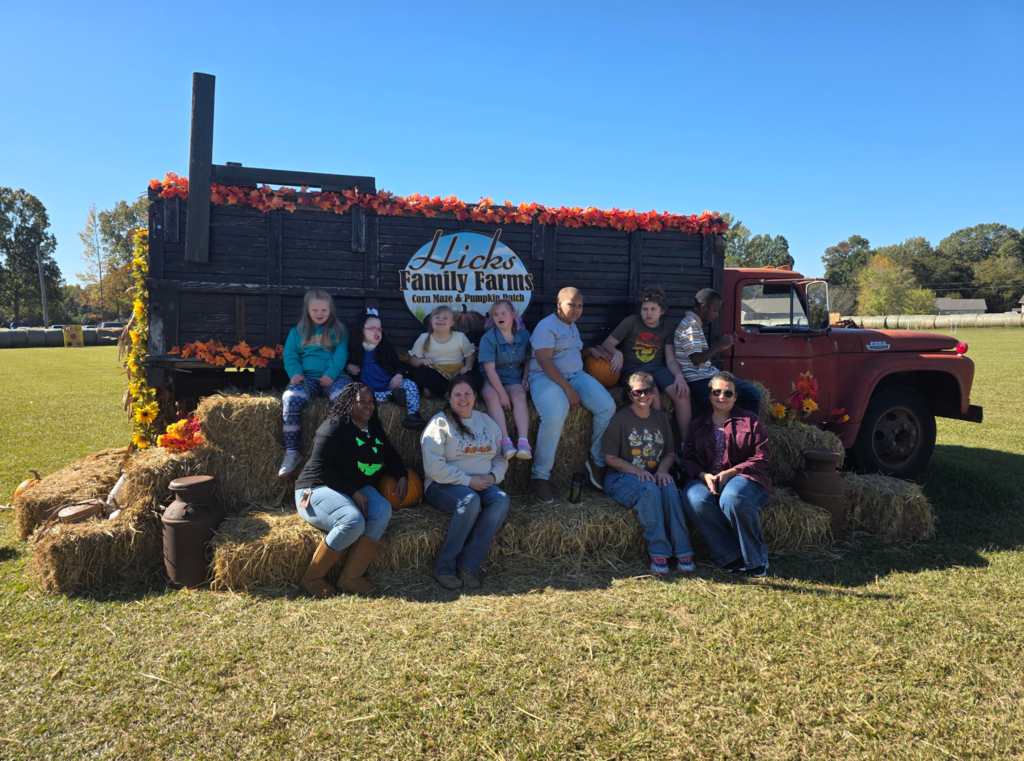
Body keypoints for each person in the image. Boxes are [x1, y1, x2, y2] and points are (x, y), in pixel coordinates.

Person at [293, 382, 408, 597]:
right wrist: (353, 493)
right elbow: (318, 468)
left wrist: (402, 474)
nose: (368, 406)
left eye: (371, 401)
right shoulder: (334, 426)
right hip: (315, 488)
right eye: (361, 401)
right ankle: (312, 577)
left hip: (352, 488)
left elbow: (389, 453)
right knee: (352, 521)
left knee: (382, 509)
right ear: (348, 403)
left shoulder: (372, 426)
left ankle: (351, 578)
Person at [528, 287, 617, 504]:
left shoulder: (571, 325)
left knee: (607, 406)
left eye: (580, 306)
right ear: (559, 305)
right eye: (572, 305)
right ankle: (540, 476)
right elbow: (544, 361)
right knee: (556, 413)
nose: (577, 310)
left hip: (576, 375)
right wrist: (568, 389)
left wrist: (589, 351)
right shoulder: (546, 327)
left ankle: (596, 461)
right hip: (544, 377)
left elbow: (570, 351)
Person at [420, 376, 510, 590]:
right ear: (449, 398)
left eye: (467, 394)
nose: (463, 399)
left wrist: (494, 477)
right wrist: (468, 481)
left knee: (501, 500)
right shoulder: (440, 424)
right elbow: (434, 467)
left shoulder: (486, 422)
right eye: (457, 395)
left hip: (482, 481)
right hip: (443, 484)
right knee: (469, 501)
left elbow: (500, 456)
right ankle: (444, 566)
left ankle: (469, 566)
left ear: (474, 397)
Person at [681, 371, 772, 577]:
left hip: (745, 477)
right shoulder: (698, 425)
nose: (721, 397)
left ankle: (757, 558)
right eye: (717, 392)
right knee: (694, 498)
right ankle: (731, 555)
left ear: (735, 397)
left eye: (728, 393)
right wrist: (704, 476)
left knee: (732, 497)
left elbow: (761, 456)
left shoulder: (750, 420)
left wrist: (732, 472)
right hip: (708, 478)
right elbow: (688, 459)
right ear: (710, 394)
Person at [603, 372, 694, 575]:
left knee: (669, 487)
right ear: (630, 395)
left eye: (648, 391)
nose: (643, 395)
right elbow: (610, 458)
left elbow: (670, 453)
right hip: (619, 478)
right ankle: (659, 552)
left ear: (654, 393)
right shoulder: (620, 419)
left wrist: (662, 470)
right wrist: (638, 470)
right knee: (648, 490)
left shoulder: (661, 418)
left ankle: (683, 551)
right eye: (637, 392)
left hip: (653, 475)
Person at [599, 285, 692, 440]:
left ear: (662, 310)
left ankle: (685, 445)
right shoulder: (631, 322)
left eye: (653, 309)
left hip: (657, 369)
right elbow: (606, 344)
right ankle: (655, 442)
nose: (648, 313)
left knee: (682, 396)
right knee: (652, 395)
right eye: (645, 309)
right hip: (633, 369)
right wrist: (617, 352)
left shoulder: (668, 329)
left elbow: (670, 359)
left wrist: (679, 376)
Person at [279, 289, 352, 477]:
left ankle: (347, 447)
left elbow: (341, 353)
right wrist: (294, 373)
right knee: (291, 398)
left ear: (330, 310)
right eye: (315, 310)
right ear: (307, 310)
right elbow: (290, 355)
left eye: (324, 311)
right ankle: (293, 452)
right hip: (307, 379)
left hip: (334, 377)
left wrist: (331, 373)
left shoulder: (338, 330)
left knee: (345, 398)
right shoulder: (297, 332)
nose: (319, 314)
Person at [673, 288, 762, 420]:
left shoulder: (694, 324)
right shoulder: (690, 326)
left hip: (708, 376)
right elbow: (696, 360)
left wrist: (724, 345)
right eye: (715, 310)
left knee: (753, 394)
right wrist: (720, 344)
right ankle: (747, 432)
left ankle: (745, 430)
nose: (716, 315)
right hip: (700, 381)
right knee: (753, 395)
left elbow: (702, 356)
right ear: (703, 307)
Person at [346, 309, 426, 429]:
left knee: (411, 385)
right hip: (369, 389)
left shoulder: (385, 348)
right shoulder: (354, 350)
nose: (377, 331)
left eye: (379, 329)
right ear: (362, 331)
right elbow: (345, 363)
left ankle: (413, 415)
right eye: (373, 328)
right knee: (361, 398)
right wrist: (348, 367)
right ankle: (391, 396)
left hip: (389, 384)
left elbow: (399, 365)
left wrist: (399, 375)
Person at [478, 299, 532, 461]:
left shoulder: (524, 335)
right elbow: (490, 370)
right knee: (491, 396)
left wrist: (524, 377)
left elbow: (528, 359)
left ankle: (523, 442)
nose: (500, 316)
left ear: (513, 315)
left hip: (514, 377)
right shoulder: (488, 339)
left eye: (503, 313)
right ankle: (505, 442)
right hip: (492, 378)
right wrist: (502, 395)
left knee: (520, 396)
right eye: (496, 314)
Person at [408, 305, 484, 397]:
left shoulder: (460, 337)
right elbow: (413, 360)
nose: (440, 320)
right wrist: (421, 361)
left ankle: (436, 392)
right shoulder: (423, 338)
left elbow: (469, 355)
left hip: (458, 374)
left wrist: (467, 367)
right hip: (436, 373)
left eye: (445, 318)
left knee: (477, 377)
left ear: (452, 323)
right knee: (419, 374)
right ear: (431, 321)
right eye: (437, 317)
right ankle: (449, 393)